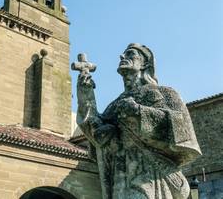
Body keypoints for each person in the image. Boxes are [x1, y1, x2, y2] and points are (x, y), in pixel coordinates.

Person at [76, 43, 201, 199]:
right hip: (120, 178)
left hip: (150, 176)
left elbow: (181, 127)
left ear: (146, 64)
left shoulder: (165, 93)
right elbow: (96, 135)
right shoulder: (114, 106)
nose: (122, 57)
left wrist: (137, 112)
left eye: (130, 54)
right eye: (123, 54)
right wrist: (85, 95)